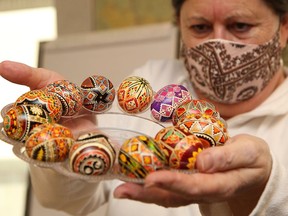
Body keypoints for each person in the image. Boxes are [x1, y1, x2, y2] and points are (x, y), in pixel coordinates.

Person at [1, 0, 288, 215]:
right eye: (200, 27)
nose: (218, 43)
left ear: (284, 28)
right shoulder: (150, 88)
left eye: (241, 26)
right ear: (180, 24)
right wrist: (69, 147)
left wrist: (263, 190)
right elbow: (70, 201)